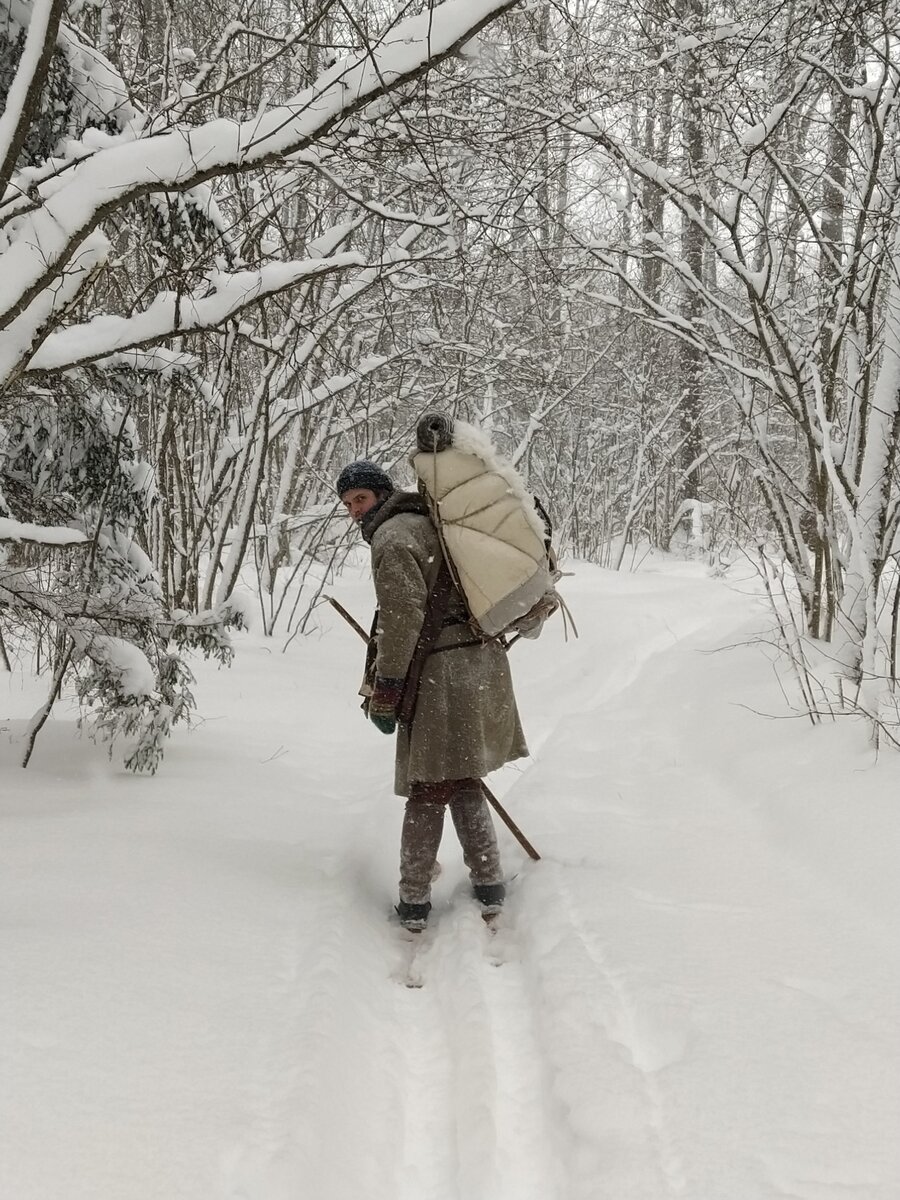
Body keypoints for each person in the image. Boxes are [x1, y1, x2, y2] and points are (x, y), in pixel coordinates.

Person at [336, 459, 529, 930]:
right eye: (347, 505)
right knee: (463, 776)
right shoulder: (433, 521)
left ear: (381, 494)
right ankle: (489, 885)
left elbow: (403, 619)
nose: (355, 512)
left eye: (360, 499)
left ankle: (414, 901)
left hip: (442, 675)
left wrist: (387, 688)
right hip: (479, 663)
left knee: (427, 787)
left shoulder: (392, 537)